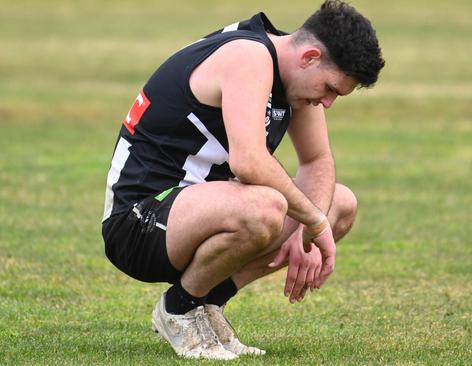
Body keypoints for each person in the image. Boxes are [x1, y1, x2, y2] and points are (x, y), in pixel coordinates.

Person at [102, 0, 384, 360]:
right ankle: (179, 309)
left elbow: (317, 161)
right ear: (311, 57)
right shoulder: (248, 57)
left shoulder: (290, 76)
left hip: (201, 213)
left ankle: (208, 306)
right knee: (267, 209)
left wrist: (307, 233)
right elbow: (248, 161)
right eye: (330, 88)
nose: (328, 102)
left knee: (339, 205)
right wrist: (312, 220)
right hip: (139, 221)